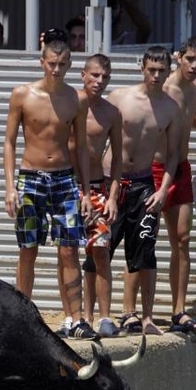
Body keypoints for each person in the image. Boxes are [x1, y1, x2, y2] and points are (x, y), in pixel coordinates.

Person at [3, 37, 96, 340]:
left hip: (64, 179)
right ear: (42, 63)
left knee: (69, 249)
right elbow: (9, 141)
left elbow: (81, 146)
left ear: (70, 65)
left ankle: (76, 318)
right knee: (27, 249)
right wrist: (9, 187)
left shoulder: (77, 99)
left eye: (63, 64)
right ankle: (21, 317)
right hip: (30, 178)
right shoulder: (22, 94)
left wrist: (84, 190)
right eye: (52, 63)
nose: (57, 69)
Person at [105, 46, 181, 336]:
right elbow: (96, 138)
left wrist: (163, 191)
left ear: (169, 70)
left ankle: (146, 317)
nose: (156, 75)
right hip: (112, 182)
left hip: (143, 185)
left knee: (145, 253)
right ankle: (100, 316)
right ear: (142, 67)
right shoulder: (120, 97)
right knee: (101, 249)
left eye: (162, 70)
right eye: (151, 69)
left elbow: (173, 154)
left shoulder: (170, 107)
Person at [159, 37, 196, 333]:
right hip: (154, 169)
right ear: (178, 57)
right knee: (142, 239)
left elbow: (189, 120)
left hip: (181, 169)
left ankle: (178, 310)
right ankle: (131, 311)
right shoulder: (163, 89)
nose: (194, 66)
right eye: (190, 59)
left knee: (182, 240)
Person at [77, 54, 122, 337]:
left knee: (101, 251)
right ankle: (80, 316)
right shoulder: (71, 105)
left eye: (105, 77)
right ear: (83, 75)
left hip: (97, 187)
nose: (99, 82)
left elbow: (118, 157)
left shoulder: (111, 113)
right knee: (68, 252)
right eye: (94, 76)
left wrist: (114, 195)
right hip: (69, 186)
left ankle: (104, 317)